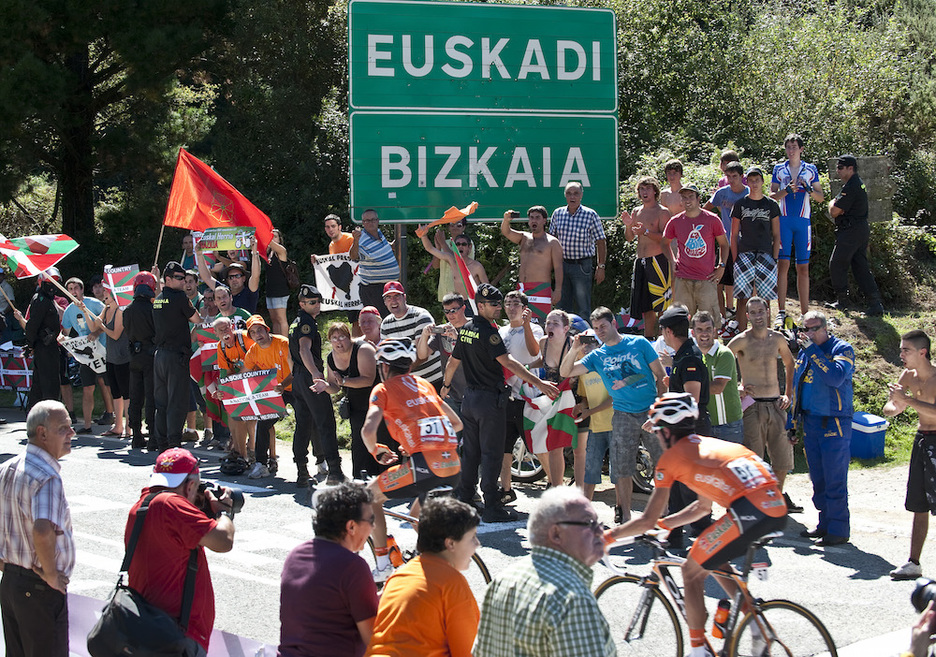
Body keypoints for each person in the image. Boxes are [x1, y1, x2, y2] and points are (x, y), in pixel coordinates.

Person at [606, 392, 788, 657]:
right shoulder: (705, 447)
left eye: (658, 431)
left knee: (691, 570)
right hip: (773, 507)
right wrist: (667, 524)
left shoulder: (672, 459)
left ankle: (698, 650)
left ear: (667, 432)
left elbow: (645, 519)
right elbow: (702, 507)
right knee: (713, 559)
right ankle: (757, 626)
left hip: (750, 510)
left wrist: (608, 538)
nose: (657, 436)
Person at [444, 284, 560, 523]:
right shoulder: (489, 332)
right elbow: (508, 362)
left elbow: (453, 363)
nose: (499, 308)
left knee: (471, 453)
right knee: (492, 454)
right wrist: (539, 383)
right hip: (489, 401)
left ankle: (465, 498)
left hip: (470, 400)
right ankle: (492, 506)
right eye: (494, 304)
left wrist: (445, 387)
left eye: (499, 303)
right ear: (481, 305)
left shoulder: (466, 329)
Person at [361, 337, 464, 579]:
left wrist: (376, 450)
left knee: (368, 498)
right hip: (453, 465)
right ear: (409, 366)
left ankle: (384, 565)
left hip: (426, 465)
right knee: (416, 518)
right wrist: (417, 443)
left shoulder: (382, 389)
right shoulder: (424, 384)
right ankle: (427, 571)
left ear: (384, 367)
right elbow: (456, 423)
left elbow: (367, 430)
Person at [474, 486, 614, 657]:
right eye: (588, 523)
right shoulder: (571, 599)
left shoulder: (503, 581)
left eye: (599, 523)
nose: (600, 531)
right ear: (556, 534)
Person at [560, 306, 666, 523]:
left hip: (649, 411)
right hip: (623, 414)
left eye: (603, 326)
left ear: (614, 324)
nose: (600, 331)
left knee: (662, 463)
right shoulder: (597, 356)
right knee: (622, 467)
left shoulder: (639, 343)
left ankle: (663, 512)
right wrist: (573, 349)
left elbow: (661, 375)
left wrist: (659, 409)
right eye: (596, 328)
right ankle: (626, 515)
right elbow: (565, 372)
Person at [125, 448, 235, 653]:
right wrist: (224, 512)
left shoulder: (143, 504)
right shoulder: (170, 504)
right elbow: (223, 540)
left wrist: (198, 509)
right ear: (191, 485)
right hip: (174, 635)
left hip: (149, 626)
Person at [0, 400, 75, 657]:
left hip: (11, 582)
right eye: (64, 428)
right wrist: (52, 575)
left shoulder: (6, 468)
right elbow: (42, 530)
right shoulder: (47, 476)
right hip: (40, 588)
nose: (72, 434)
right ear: (42, 433)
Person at [366, 497, 481, 657]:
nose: (477, 544)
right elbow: (467, 652)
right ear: (451, 544)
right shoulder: (452, 583)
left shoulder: (399, 575)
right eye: (472, 537)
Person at [279, 482, 379, 657]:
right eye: (371, 520)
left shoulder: (295, 556)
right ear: (351, 527)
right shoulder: (352, 566)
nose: (374, 527)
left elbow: (329, 605)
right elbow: (373, 638)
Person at [727, 297, 799, 510]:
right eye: (753, 312)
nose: (758, 316)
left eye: (761, 311)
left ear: (768, 312)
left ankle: (775, 497)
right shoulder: (741, 340)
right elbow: (721, 362)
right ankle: (754, 500)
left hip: (777, 404)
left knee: (782, 458)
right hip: (752, 405)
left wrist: (788, 394)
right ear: (747, 316)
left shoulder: (777, 338)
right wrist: (736, 388)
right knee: (753, 458)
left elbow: (789, 363)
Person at [791, 310, 855, 546]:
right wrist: (793, 423)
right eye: (805, 329)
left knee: (834, 478)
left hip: (835, 422)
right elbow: (797, 387)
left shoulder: (842, 349)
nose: (808, 333)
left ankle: (838, 529)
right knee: (818, 479)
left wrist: (812, 350)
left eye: (814, 328)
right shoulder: (806, 353)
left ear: (825, 328)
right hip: (811, 422)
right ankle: (824, 524)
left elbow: (835, 378)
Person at [659, 304, 715, 544]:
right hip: (683, 428)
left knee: (689, 483)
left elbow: (691, 399)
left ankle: (701, 531)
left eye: (663, 331)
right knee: (678, 481)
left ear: (669, 332)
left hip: (691, 428)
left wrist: (661, 414)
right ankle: (675, 534)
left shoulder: (689, 357)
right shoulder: (684, 355)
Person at [884, 330, 936, 580]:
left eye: (906, 350)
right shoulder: (907, 376)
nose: (901, 354)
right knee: (918, 504)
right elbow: (890, 407)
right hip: (921, 440)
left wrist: (907, 401)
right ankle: (913, 562)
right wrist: (897, 404)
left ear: (922, 353)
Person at [291, 284, 344, 486]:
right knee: (325, 422)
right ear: (302, 303)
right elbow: (304, 349)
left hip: (298, 377)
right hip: (308, 376)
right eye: (312, 302)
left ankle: (302, 471)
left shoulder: (295, 322)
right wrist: (315, 374)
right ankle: (335, 471)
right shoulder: (306, 323)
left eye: (318, 301)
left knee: (303, 424)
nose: (317, 305)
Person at [770, 133, 824, 324]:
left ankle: (805, 313)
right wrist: (787, 190)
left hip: (803, 222)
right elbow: (772, 196)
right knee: (783, 265)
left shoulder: (810, 169)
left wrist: (808, 189)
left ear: (801, 149)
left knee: (803, 267)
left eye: (795, 146)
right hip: (784, 221)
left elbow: (820, 197)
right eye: (788, 147)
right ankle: (781, 310)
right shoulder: (779, 168)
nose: (791, 150)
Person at [662, 183, 729, 329]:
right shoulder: (675, 221)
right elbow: (664, 243)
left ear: (698, 199)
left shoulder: (712, 219)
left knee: (710, 323)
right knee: (682, 322)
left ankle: (712, 351)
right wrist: (672, 260)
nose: (687, 200)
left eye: (691, 197)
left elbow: (724, 244)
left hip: (707, 279)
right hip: (683, 279)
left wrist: (722, 266)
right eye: (684, 197)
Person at [498, 291, 543, 502]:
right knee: (504, 446)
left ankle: (555, 486)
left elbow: (535, 353)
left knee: (536, 445)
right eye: (507, 303)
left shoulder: (535, 328)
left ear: (525, 307)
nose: (511, 307)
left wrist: (525, 325)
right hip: (507, 395)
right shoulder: (501, 331)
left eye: (515, 303)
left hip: (529, 397)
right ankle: (506, 489)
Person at [321, 322, 380, 480]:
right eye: (334, 338)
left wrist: (344, 382)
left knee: (378, 437)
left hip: (377, 400)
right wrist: (325, 386)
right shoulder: (331, 357)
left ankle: (383, 477)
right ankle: (359, 478)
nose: (338, 342)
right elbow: (335, 387)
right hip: (356, 403)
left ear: (349, 337)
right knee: (359, 441)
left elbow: (368, 380)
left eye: (342, 337)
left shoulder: (363, 349)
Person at [828, 154, 885, 316]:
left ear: (850, 168)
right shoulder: (855, 184)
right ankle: (875, 304)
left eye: (840, 167)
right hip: (858, 230)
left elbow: (834, 211)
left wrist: (832, 202)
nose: (837, 171)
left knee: (837, 263)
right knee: (860, 266)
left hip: (851, 231)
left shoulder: (851, 187)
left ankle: (843, 301)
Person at [152, 262, 201, 452]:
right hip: (175, 356)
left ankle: (161, 442)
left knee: (161, 402)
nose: (183, 281)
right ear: (169, 280)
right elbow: (196, 319)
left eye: (184, 277)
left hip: (160, 356)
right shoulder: (179, 297)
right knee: (177, 401)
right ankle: (173, 443)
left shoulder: (158, 298)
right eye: (179, 278)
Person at [730, 166, 781, 331]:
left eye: (757, 180)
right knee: (742, 298)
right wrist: (735, 258)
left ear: (762, 181)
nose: (754, 183)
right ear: (747, 181)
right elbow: (734, 234)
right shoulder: (740, 204)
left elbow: (776, 234)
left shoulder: (771, 204)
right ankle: (742, 335)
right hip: (744, 254)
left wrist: (774, 258)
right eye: (751, 180)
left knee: (765, 299)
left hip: (766, 255)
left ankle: (767, 336)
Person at [621, 176, 673, 338]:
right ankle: (649, 339)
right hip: (640, 262)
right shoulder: (637, 211)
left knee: (662, 306)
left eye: (648, 189)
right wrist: (628, 225)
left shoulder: (662, 212)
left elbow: (667, 239)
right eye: (642, 189)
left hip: (658, 262)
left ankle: (665, 340)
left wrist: (647, 232)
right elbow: (629, 238)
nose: (644, 192)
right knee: (646, 307)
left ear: (655, 191)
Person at [243, 314, 293, 479]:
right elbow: (243, 376)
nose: (258, 334)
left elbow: (297, 370)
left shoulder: (283, 343)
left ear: (267, 329)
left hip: (294, 387)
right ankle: (261, 464)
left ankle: (320, 461)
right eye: (253, 332)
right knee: (263, 423)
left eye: (260, 330)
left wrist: (283, 385)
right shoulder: (253, 351)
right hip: (275, 392)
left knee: (309, 421)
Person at [549, 181, 607, 318]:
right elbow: (551, 240)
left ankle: (585, 336)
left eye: (575, 193)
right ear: (565, 196)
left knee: (583, 307)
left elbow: (601, 241)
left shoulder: (590, 214)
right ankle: (563, 337)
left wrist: (601, 266)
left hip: (582, 266)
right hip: (562, 265)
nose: (572, 197)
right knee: (562, 306)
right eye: (569, 193)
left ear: (581, 195)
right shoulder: (558, 214)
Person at [62, 276, 113, 433]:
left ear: (82, 289)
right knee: (87, 388)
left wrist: (97, 332)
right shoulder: (69, 310)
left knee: (107, 384)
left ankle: (111, 414)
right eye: (70, 289)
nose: (73, 292)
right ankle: (87, 425)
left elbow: (107, 320)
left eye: (76, 288)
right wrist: (66, 341)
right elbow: (65, 332)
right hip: (86, 355)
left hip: (103, 350)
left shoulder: (94, 304)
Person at [704, 161, 749, 328]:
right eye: (728, 176)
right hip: (725, 244)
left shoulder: (749, 194)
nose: (731, 180)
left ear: (742, 177)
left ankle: (738, 320)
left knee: (742, 285)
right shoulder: (721, 193)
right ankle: (722, 318)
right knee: (718, 281)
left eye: (734, 176)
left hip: (744, 245)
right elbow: (704, 210)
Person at [500, 207, 564, 323]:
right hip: (522, 288)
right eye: (531, 218)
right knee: (520, 322)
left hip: (541, 289)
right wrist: (506, 220)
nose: (534, 221)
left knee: (540, 322)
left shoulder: (552, 242)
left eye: (537, 218)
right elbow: (506, 232)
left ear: (544, 220)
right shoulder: (524, 237)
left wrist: (558, 290)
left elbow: (558, 267)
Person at [536, 309, 576, 487]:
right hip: (551, 398)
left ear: (566, 328)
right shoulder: (543, 342)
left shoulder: (574, 344)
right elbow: (541, 361)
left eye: (554, 323)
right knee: (553, 445)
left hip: (573, 398)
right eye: (547, 323)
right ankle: (556, 486)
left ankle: (579, 487)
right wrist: (522, 368)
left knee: (577, 447)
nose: (549, 326)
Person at [691, 310, 743, 444]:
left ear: (714, 331)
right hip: (704, 425)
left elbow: (717, 388)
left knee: (732, 465)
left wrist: (685, 384)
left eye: (708, 329)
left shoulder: (724, 354)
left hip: (728, 426)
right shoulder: (692, 356)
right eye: (700, 330)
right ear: (693, 333)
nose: (704, 334)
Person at [379, 281, 443, 389]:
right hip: (411, 385)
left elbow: (422, 355)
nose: (393, 300)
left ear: (404, 297)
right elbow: (388, 356)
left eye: (397, 296)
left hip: (435, 380)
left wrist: (400, 373)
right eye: (388, 297)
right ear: (385, 302)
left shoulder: (421, 316)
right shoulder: (385, 325)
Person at [123, 275, 157, 449]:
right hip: (150, 356)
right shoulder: (153, 309)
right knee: (151, 397)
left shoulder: (127, 310)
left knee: (135, 397)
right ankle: (152, 436)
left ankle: (136, 434)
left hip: (134, 356)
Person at [91, 287, 130, 437]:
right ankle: (118, 426)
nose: (104, 295)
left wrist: (102, 327)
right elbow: (95, 325)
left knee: (126, 393)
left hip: (122, 356)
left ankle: (129, 427)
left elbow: (115, 334)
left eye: (107, 293)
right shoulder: (107, 310)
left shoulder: (120, 311)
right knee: (116, 393)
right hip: (111, 357)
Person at [20, 272, 61, 409]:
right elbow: (32, 325)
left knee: (42, 384)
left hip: (49, 347)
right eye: (49, 283)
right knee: (48, 385)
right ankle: (48, 417)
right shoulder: (40, 299)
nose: (52, 287)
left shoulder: (48, 299)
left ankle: (38, 417)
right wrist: (31, 344)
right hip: (44, 347)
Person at [351, 209, 400, 317]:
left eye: (373, 220)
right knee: (379, 320)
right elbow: (353, 256)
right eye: (367, 220)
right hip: (373, 289)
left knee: (392, 318)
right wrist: (355, 241)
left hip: (388, 287)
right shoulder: (361, 239)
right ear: (363, 223)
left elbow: (379, 247)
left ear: (378, 221)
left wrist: (391, 245)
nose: (370, 222)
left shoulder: (378, 233)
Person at [419, 229, 488, 303]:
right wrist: (423, 235)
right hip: (458, 304)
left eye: (464, 244)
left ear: (469, 247)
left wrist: (484, 304)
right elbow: (430, 248)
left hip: (474, 303)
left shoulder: (477, 266)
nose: (460, 247)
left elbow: (487, 288)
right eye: (457, 244)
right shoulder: (452, 261)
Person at [197, 236, 261, 313]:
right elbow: (206, 277)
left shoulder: (250, 291)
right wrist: (199, 254)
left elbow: (255, 276)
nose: (234, 279)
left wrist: (254, 252)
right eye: (231, 277)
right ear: (227, 280)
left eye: (237, 276)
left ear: (244, 278)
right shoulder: (223, 290)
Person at [430, 215, 475, 302]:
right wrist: (438, 247)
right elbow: (435, 266)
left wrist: (442, 244)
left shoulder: (467, 243)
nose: (455, 227)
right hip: (444, 292)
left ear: (464, 227)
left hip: (461, 293)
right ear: (448, 227)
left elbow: (458, 261)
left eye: (459, 225)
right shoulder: (444, 242)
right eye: (451, 224)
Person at [265, 228, 292, 336]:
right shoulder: (268, 253)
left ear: (280, 239)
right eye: (271, 236)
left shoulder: (282, 252)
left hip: (281, 290)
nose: (272, 238)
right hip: (270, 290)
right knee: (274, 319)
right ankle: (277, 343)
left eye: (275, 236)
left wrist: (267, 237)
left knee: (281, 319)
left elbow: (271, 243)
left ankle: (284, 343)